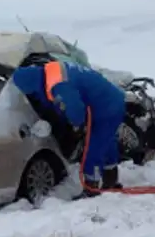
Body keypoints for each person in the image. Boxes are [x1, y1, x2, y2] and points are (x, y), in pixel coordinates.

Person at [12, 53, 126, 197]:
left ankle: (91, 189)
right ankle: (111, 181)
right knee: (106, 143)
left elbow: (75, 108)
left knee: (94, 148)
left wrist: (76, 125)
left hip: (106, 108)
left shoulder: (59, 85)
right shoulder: (49, 71)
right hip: (110, 100)